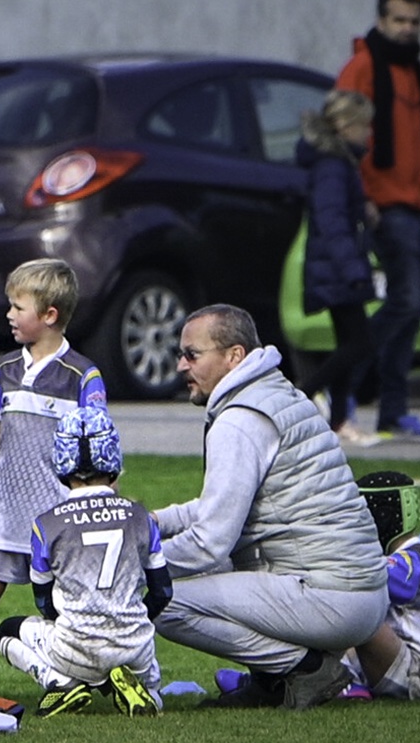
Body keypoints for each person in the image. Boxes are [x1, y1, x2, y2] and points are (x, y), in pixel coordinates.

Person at [153, 304, 389, 709]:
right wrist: (152, 523)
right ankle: (272, 679)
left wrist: (136, 565)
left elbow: (211, 542)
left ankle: (301, 669)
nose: (180, 365)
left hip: (330, 596)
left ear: (234, 356)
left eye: (192, 355)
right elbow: (220, 507)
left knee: (160, 599)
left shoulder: (241, 418)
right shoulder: (275, 394)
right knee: (191, 574)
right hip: (357, 594)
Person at [0, 259, 106, 665]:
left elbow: (97, 445)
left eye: (18, 307)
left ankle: (75, 667)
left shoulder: (81, 375)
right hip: (5, 510)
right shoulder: (6, 368)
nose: (9, 315)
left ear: (50, 315)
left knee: (64, 599)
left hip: (57, 512)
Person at [335, 0, 420, 442]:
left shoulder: (412, 71)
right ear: (382, 20)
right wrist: (360, 196)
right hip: (385, 206)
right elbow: (340, 129)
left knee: (407, 311)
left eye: (414, 22)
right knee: (405, 304)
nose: (407, 29)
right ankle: (343, 391)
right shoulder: (365, 67)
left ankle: (390, 411)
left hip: (414, 204)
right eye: (399, 20)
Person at [0, 406, 172, 717]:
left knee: (7, 631)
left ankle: (61, 683)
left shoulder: (46, 525)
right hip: (135, 646)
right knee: (154, 700)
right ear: (113, 455)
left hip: (74, 647)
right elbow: (162, 593)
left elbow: (43, 600)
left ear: (61, 459)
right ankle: (131, 686)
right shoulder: (141, 517)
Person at [294, 91, 380, 445]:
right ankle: (303, 394)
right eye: (363, 126)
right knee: (358, 343)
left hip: (339, 266)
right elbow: (332, 222)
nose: (368, 134)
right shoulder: (333, 166)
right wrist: (353, 270)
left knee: (351, 341)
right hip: (338, 268)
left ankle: (339, 419)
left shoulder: (339, 163)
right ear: (345, 126)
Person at [344, 472, 420, 702]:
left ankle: (347, 680)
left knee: (356, 609)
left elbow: (398, 586)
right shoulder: (414, 557)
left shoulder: (414, 558)